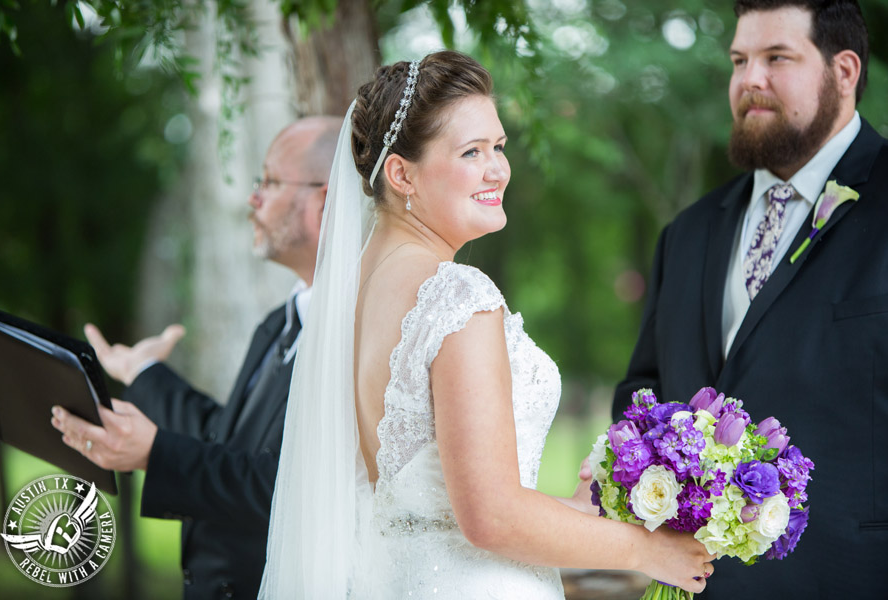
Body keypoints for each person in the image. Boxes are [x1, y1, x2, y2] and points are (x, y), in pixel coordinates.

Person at [258, 50, 713, 599]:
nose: (498, 168)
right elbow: (490, 518)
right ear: (401, 173)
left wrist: (589, 510)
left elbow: (431, 503)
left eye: (498, 146)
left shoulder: (348, 298)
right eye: (472, 151)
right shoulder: (456, 294)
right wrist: (646, 551)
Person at [613, 1, 886, 597]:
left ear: (844, 72)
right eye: (740, 60)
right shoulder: (686, 234)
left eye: (776, 58)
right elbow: (644, 393)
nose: (749, 79)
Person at [50, 116, 342, 599]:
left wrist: (156, 454)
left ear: (326, 201)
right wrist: (143, 374)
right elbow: (229, 439)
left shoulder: (356, 336)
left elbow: (292, 488)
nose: (253, 199)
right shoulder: (279, 321)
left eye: (268, 181)